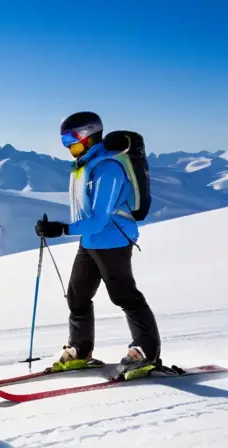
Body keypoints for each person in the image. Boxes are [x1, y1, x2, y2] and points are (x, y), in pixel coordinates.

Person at [34, 111, 161, 377]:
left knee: (124, 295)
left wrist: (62, 229)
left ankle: (146, 351)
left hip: (112, 240)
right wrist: (57, 228)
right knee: (77, 295)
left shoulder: (108, 168)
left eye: (72, 138)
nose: (68, 145)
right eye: (64, 139)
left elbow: (100, 219)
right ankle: (80, 349)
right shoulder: (84, 165)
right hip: (90, 240)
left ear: (89, 135)